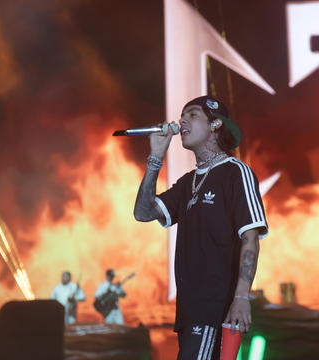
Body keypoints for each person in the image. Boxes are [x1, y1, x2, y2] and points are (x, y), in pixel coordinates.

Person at [133, 96, 267, 360]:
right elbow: (143, 212)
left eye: (192, 115)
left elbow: (250, 238)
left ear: (216, 123)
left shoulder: (235, 172)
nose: (182, 120)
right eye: (182, 115)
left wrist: (242, 298)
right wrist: (155, 158)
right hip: (189, 310)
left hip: (214, 308)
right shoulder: (188, 183)